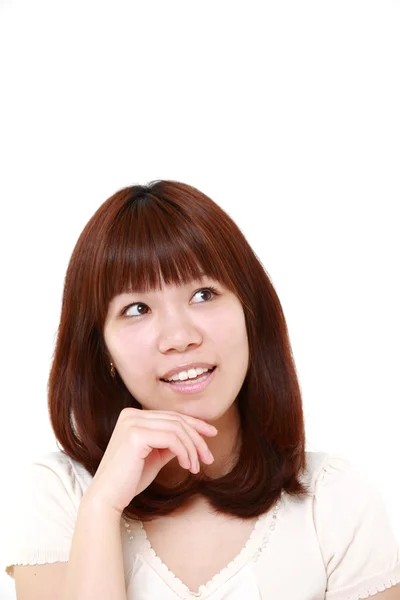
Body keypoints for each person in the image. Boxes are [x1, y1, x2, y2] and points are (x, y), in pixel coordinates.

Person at [2, 180, 399, 600]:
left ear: (251, 313)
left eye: (203, 293)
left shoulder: (333, 500)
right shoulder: (61, 495)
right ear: (103, 350)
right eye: (136, 309)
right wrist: (102, 508)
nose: (179, 336)